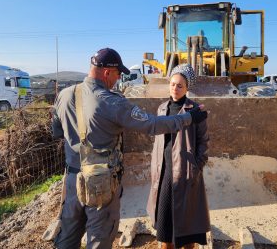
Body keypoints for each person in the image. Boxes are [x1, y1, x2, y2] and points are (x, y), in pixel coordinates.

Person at [51, 48, 208, 249]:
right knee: (99, 238)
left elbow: (56, 131)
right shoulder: (112, 101)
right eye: (118, 74)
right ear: (108, 72)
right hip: (101, 184)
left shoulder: (64, 95)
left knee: (68, 237)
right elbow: (152, 124)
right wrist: (189, 118)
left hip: (73, 180)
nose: (118, 79)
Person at [147, 64, 210, 249]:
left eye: (180, 85)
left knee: (188, 231)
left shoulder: (195, 110)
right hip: (164, 171)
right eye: (173, 84)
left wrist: (196, 166)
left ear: (187, 87)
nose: (175, 88)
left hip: (186, 173)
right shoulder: (161, 109)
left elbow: (204, 142)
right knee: (165, 228)